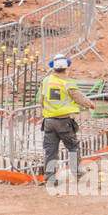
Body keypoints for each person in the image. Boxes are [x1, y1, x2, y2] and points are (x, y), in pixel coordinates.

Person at [38, 55, 96, 184]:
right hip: (64, 122)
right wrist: (91, 104)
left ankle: (50, 178)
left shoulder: (46, 81)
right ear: (66, 68)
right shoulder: (68, 83)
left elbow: (40, 100)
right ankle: (79, 174)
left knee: (50, 150)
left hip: (48, 121)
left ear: (53, 68)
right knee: (73, 147)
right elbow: (79, 98)